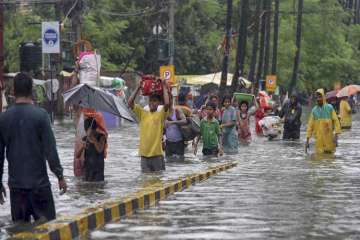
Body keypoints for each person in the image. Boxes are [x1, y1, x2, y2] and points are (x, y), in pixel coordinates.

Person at [0, 73, 67, 223]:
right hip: (40, 187)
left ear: (13, 92)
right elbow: (51, 151)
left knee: (18, 233)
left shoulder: (3, 119)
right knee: (48, 230)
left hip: (17, 190)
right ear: (31, 91)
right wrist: (60, 176)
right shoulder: (41, 116)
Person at [128, 78, 169, 173]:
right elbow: (130, 102)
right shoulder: (143, 113)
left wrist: (164, 86)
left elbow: (167, 103)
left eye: (154, 101)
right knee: (145, 181)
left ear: (159, 103)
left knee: (158, 182)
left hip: (157, 155)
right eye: (150, 101)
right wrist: (138, 87)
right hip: (144, 155)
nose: (151, 103)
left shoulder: (160, 114)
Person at [305, 89, 341, 154]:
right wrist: (307, 140)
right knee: (319, 158)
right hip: (319, 142)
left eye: (320, 97)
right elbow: (310, 126)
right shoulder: (314, 110)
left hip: (329, 140)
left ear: (323, 97)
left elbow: (336, 122)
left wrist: (336, 137)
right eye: (317, 97)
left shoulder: (329, 108)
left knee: (330, 159)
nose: (318, 99)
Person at [76, 116, 107, 182]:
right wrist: (82, 147)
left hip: (98, 170)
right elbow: (77, 156)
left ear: (95, 129)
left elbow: (100, 150)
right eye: (86, 130)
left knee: (98, 187)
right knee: (88, 189)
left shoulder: (101, 137)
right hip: (87, 169)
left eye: (91, 130)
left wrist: (94, 140)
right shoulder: (85, 139)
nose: (88, 132)